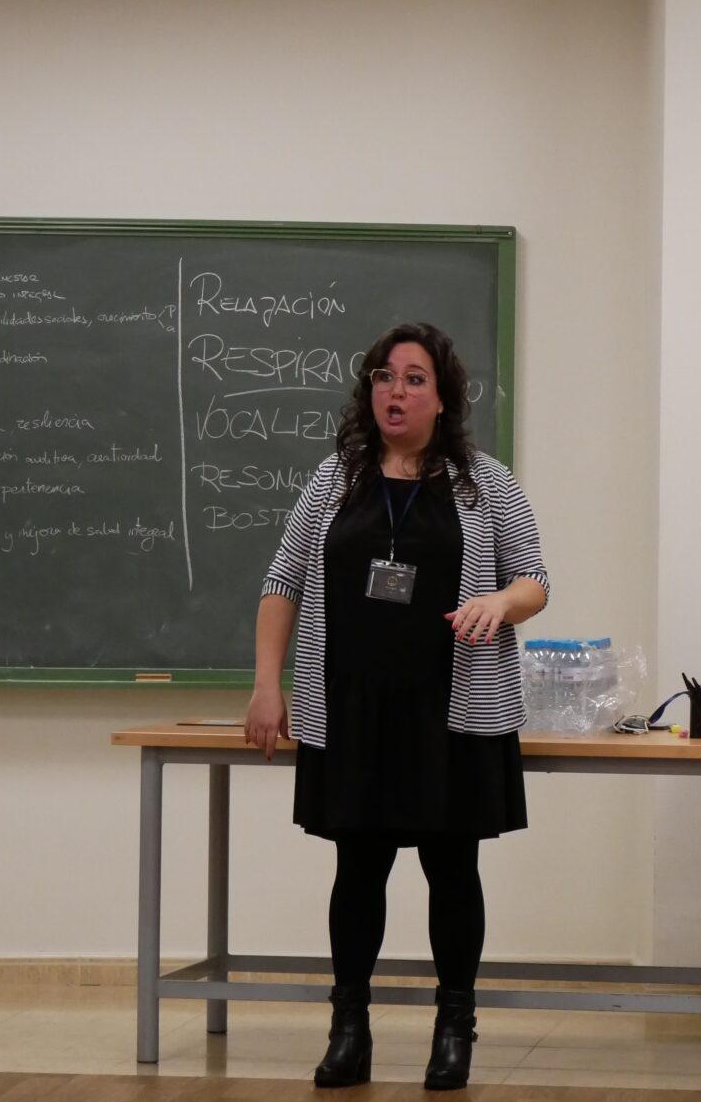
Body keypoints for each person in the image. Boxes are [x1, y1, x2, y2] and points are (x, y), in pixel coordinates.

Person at [243, 322, 549, 1091]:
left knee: (453, 869)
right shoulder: (334, 478)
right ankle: (349, 1028)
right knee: (358, 869)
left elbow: (534, 579)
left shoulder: (486, 482)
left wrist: (500, 602)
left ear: (443, 398)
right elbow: (282, 579)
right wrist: (267, 682)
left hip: (450, 708)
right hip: (352, 709)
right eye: (384, 376)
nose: (396, 390)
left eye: (415, 378)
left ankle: (455, 1027)